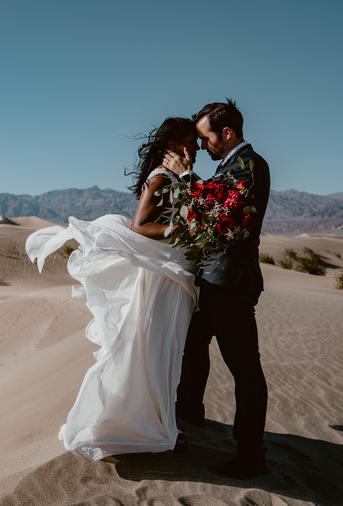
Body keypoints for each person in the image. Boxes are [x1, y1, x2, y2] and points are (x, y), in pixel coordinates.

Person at [25, 117, 199, 461]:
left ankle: (158, 422)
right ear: (177, 142)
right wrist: (182, 230)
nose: (197, 148)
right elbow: (140, 225)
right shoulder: (162, 177)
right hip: (161, 278)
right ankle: (130, 424)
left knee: (162, 351)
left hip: (171, 276)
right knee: (151, 350)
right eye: (192, 141)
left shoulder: (177, 176)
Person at [163, 99, 271, 479]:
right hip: (212, 281)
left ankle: (251, 454)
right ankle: (189, 413)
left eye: (206, 138)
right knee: (192, 346)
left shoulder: (250, 166)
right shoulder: (229, 166)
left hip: (232, 284)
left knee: (244, 368)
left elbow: (220, 213)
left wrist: (188, 178)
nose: (203, 145)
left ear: (226, 134)